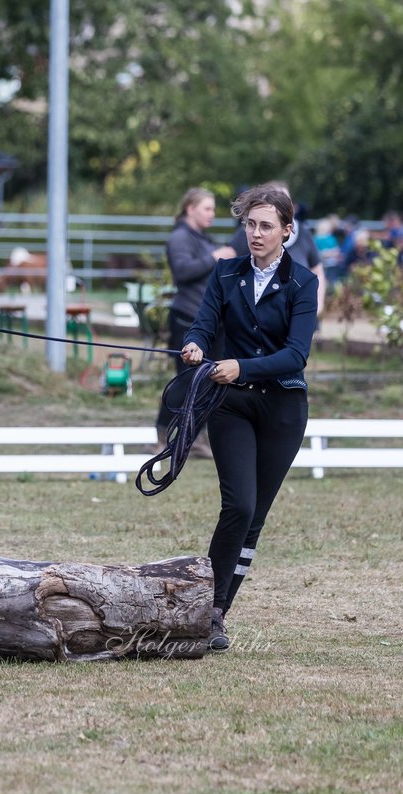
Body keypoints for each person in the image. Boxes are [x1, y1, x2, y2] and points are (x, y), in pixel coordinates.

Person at [180, 185, 319, 652]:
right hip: (233, 404)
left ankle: (217, 613)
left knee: (255, 517)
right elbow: (204, 320)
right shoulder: (225, 273)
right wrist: (197, 343)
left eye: (265, 226)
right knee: (238, 505)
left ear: (287, 231)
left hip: (282, 407)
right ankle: (209, 608)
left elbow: (295, 355)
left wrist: (242, 365)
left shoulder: (304, 284)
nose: (255, 234)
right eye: (249, 225)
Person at [158, 187, 236, 458]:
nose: (212, 214)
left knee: (210, 382)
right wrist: (214, 258)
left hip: (211, 321)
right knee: (186, 380)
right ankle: (162, 435)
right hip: (187, 318)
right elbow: (182, 272)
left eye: (213, 209)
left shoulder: (201, 237)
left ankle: (195, 437)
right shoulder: (180, 237)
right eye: (207, 208)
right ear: (190, 209)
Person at [230, 182, 327, 314]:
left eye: (284, 201)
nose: (256, 234)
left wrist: (317, 304)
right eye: (251, 224)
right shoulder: (247, 233)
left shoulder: (304, 234)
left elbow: (317, 271)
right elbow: (226, 262)